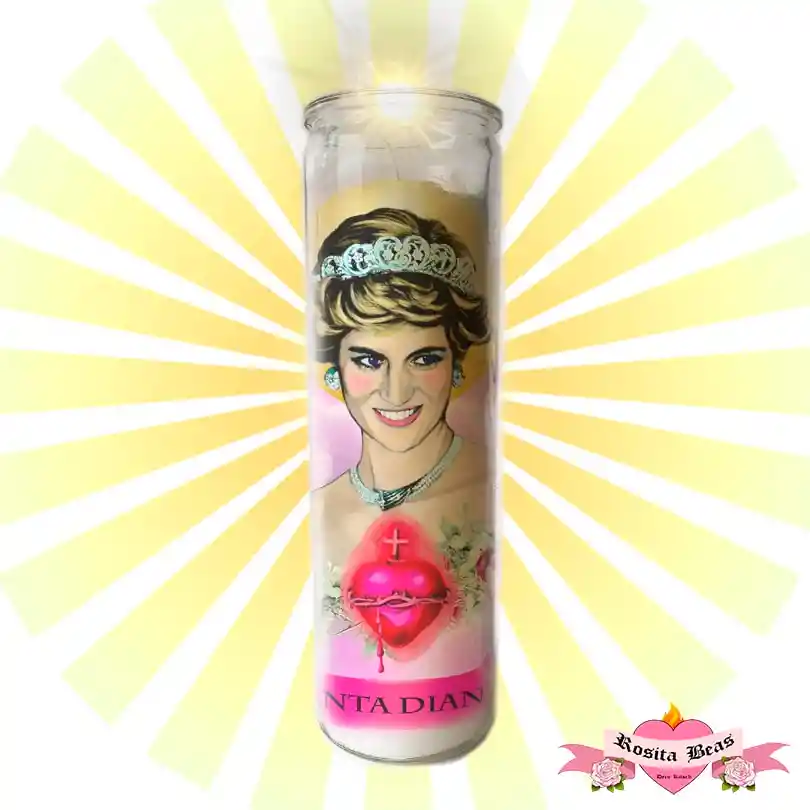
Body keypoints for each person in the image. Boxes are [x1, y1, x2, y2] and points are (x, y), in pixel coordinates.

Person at [311, 207, 495, 667]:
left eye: (424, 358)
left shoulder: (496, 491)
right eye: (369, 360)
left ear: (456, 366)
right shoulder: (315, 509)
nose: (396, 392)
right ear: (335, 369)